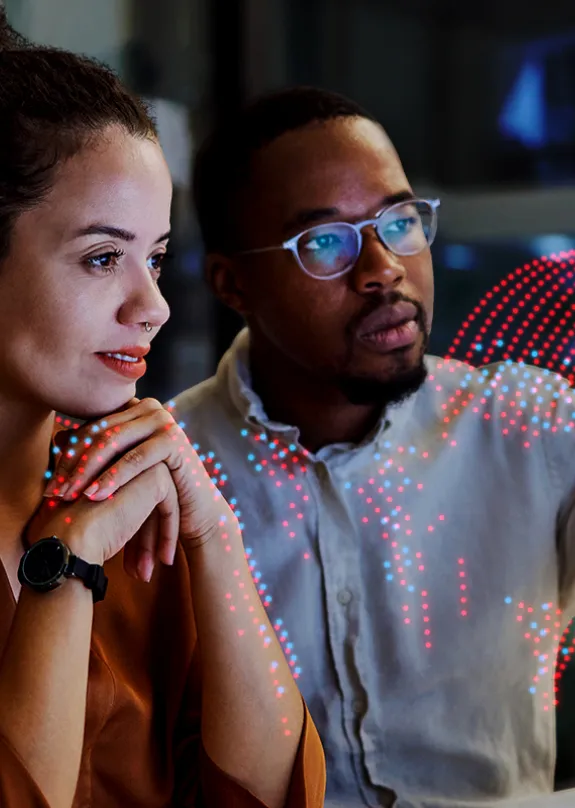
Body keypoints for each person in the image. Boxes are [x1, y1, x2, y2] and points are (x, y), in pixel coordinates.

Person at [171, 85, 575, 807]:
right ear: (232, 284)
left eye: (399, 221)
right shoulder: (171, 476)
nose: (382, 267)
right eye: (324, 241)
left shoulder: (529, 429)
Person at [0, 13, 325, 808]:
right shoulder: (98, 525)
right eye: (103, 258)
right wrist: (65, 567)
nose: (152, 306)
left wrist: (215, 537)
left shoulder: (136, 501)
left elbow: (271, 794)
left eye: (153, 257)